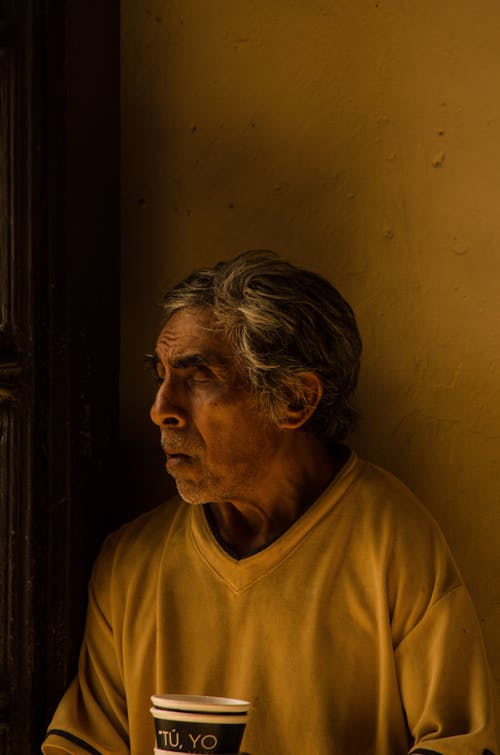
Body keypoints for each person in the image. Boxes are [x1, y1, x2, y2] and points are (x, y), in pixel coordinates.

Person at [43, 250, 498, 755]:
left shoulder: (390, 540)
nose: (159, 410)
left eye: (197, 377)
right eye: (161, 375)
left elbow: (458, 743)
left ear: (294, 401)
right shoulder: (132, 562)